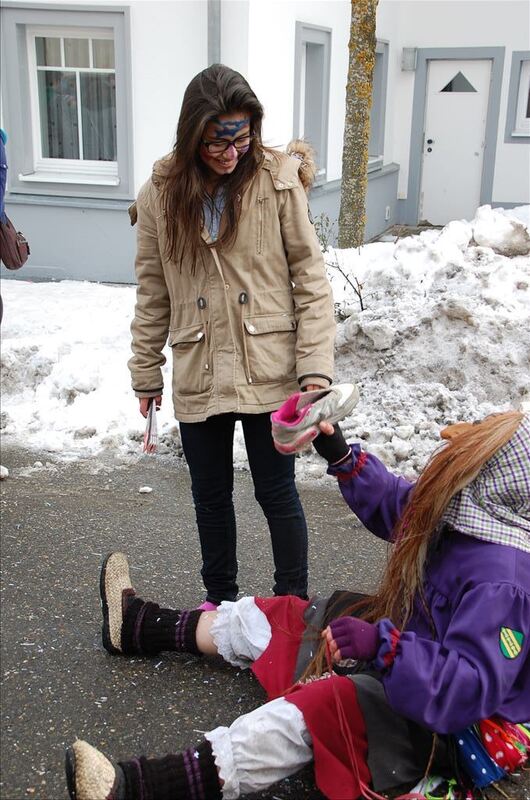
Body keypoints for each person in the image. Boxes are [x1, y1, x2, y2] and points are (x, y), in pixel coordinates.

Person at [66, 409, 530, 800]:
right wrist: (343, 456)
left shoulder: (503, 582)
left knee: (326, 705)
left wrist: (385, 649)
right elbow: (400, 505)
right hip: (409, 639)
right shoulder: (463, 512)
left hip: (453, 718)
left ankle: (136, 786)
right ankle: (139, 626)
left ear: (488, 482)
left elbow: (468, 687)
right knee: (294, 616)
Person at [128, 63, 335, 609]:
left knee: (275, 491)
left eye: (241, 138)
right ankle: (218, 605)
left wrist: (315, 371)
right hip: (199, 364)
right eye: (217, 141)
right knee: (210, 497)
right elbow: (153, 291)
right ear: (192, 131)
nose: (230, 153)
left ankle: (291, 606)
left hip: (268, 364)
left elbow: (311, 280)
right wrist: (145, 370)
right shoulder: (160, 194)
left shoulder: (276, 179)